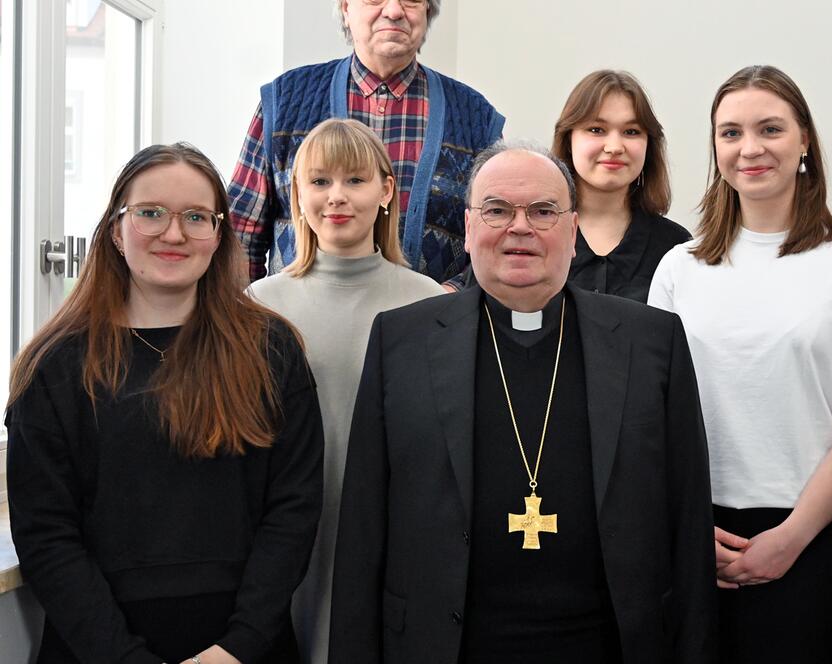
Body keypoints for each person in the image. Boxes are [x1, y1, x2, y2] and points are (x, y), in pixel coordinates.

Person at [328, 141, 717, 663]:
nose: (520, 227)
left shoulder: (652, 341)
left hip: (608, 645)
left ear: (572, 230)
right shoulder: (402, 340)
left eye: (543, 211)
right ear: (468, 229)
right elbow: (363, 527)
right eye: (496, 210)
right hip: (446, 647)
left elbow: (688, 521)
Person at [5, 143, 323, 664]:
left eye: (196, 217)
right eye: (150, 213)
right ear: (115, 229)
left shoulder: (271, 348)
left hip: (246, 647)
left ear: (218, 235)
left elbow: (293, 512)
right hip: (96, 648)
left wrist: (238, 645)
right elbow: (46, 536)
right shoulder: (54, 365)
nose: (173, 234)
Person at [648, 66, 832, 663]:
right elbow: (653, 413)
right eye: (731, 133)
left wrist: (792, 537)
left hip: (809, 530)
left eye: (770, 129)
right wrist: (685, 528)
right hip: (694, 531)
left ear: (804, 140)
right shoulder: (678, 267)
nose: (751, 148)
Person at [248, 118, 443, 662]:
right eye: (320, 181)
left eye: (355, 180)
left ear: (386, 191)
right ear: (298, 195)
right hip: (286, 529)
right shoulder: (258, 305)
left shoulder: (427, 303)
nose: (336, 197)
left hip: (391, 528)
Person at [229, 0, 504, 284]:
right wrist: (256, 317)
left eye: (411, 0)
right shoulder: (285, 101)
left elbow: (498, 236)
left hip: (435, 325)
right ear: (346, 8)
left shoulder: (475, 118)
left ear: (427, 11)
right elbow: (239, 233)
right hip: (299, 325)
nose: (394, 11)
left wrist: (450, 300)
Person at [552, 70, 690, 301]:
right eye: (597, 130)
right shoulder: (534, 235)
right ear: (568, 139)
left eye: (631, 132)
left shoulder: (676, 247)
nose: (614, 146)